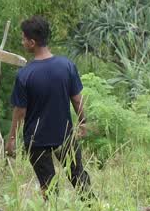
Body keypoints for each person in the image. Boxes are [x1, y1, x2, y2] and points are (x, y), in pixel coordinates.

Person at [6, 16, 90, 194]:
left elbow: (20, 111)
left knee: (48, 186)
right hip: (64, 135)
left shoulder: (25, 75)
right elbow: (76, 99)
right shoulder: (67, 66)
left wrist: (12, 137)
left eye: (23, 39)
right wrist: (83, 121)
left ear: (32, 42)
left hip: (36, 140)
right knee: (79, 177)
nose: (22, 42)